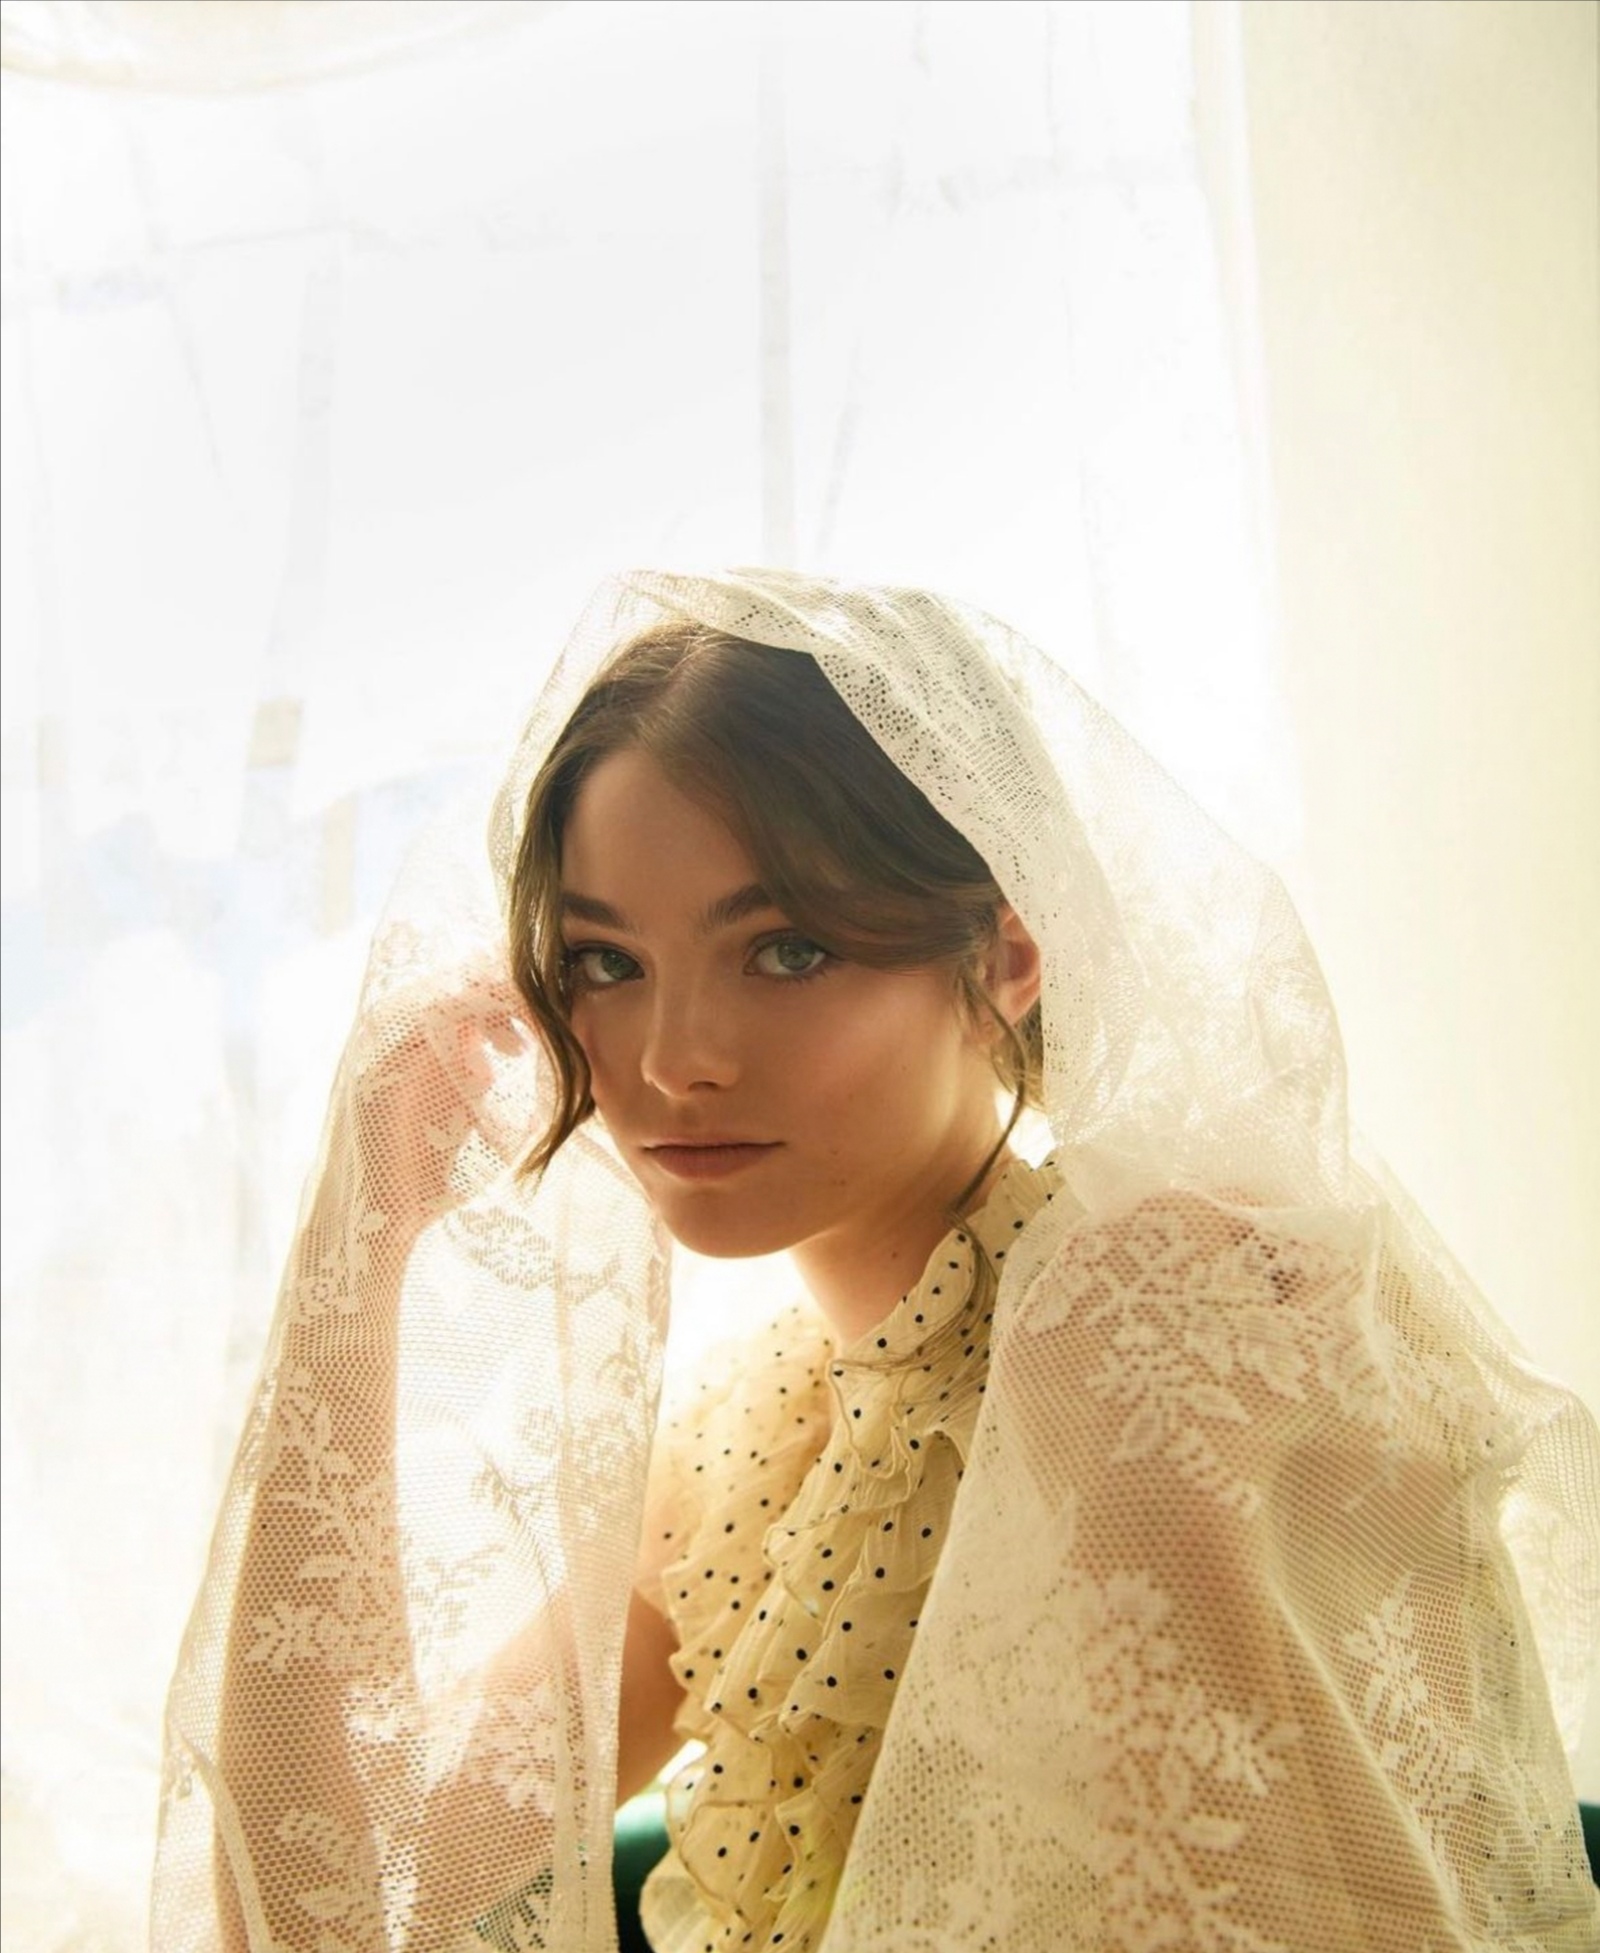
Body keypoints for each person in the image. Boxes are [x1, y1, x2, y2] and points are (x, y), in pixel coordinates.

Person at [153, 569, 1600, 1953]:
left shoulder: (1163, 1303)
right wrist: (364, 1249)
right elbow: (339, 1907)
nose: (672, 1061)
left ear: (1010, 954)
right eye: (606, 962)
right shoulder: (747, 1448)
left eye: (786, 949)